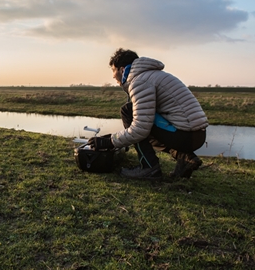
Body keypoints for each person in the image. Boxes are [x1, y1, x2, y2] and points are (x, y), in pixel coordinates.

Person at [88, 48, 208, 180]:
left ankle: (148, 167)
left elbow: (139, 129)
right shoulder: (151, 76)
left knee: (128, 111)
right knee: (142, 119)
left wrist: (110, 142)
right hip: (196, 135)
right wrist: (111, 138)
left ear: (122, 70)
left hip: (185, 135)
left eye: (113, 71)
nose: (113, 77)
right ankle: (183, 156)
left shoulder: (140, 81)